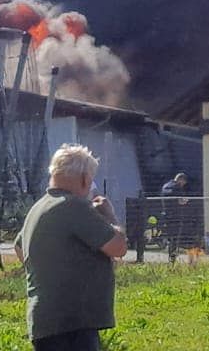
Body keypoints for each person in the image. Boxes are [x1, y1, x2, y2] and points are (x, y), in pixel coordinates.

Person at [14, 143, 128, 351]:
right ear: (85, 178)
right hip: (73, 322)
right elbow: (118, 247)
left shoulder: (39, 207)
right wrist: (109, 215)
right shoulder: (74, 206)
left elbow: (19, 247)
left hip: (44, 319)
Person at [158, 171, 190, 260]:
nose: (183, 185)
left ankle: (169, 252)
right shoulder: (177, 188)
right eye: (184, 183)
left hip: (166, 215)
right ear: (181, 180)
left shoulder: (165, 186)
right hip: (176, 216)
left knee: (169, 236)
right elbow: (181, 201)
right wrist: (186, 201)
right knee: (175, 238)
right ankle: (172, 256)